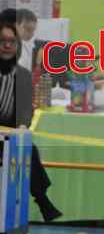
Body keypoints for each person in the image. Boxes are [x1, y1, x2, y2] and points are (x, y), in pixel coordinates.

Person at [0, 17, 62, 221]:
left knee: (29, 149)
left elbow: (26, 110)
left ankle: (41, 198)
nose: (7, 46)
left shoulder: (24, 75)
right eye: (2, 41)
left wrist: (22, 125)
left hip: (9, 135)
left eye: (12, 42)